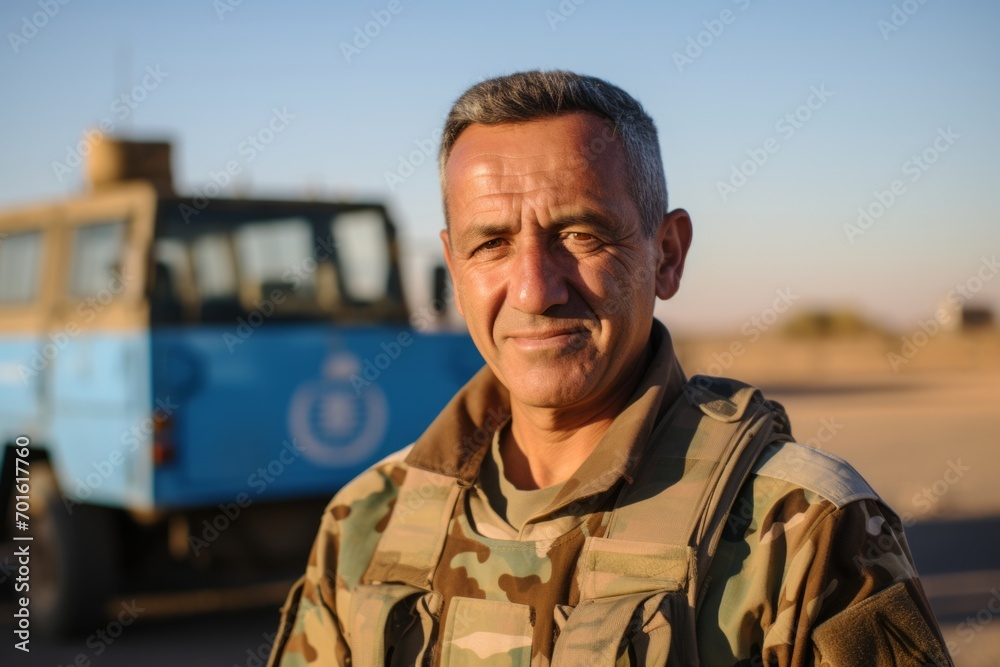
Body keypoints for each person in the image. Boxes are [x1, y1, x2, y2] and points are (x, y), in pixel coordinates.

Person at [267, 70, 952, 666]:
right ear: (454, 268)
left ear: (668, 254)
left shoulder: (804, 527)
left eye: (580, 235)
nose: (536, 289)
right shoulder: (365, 521)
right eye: (492, 244)